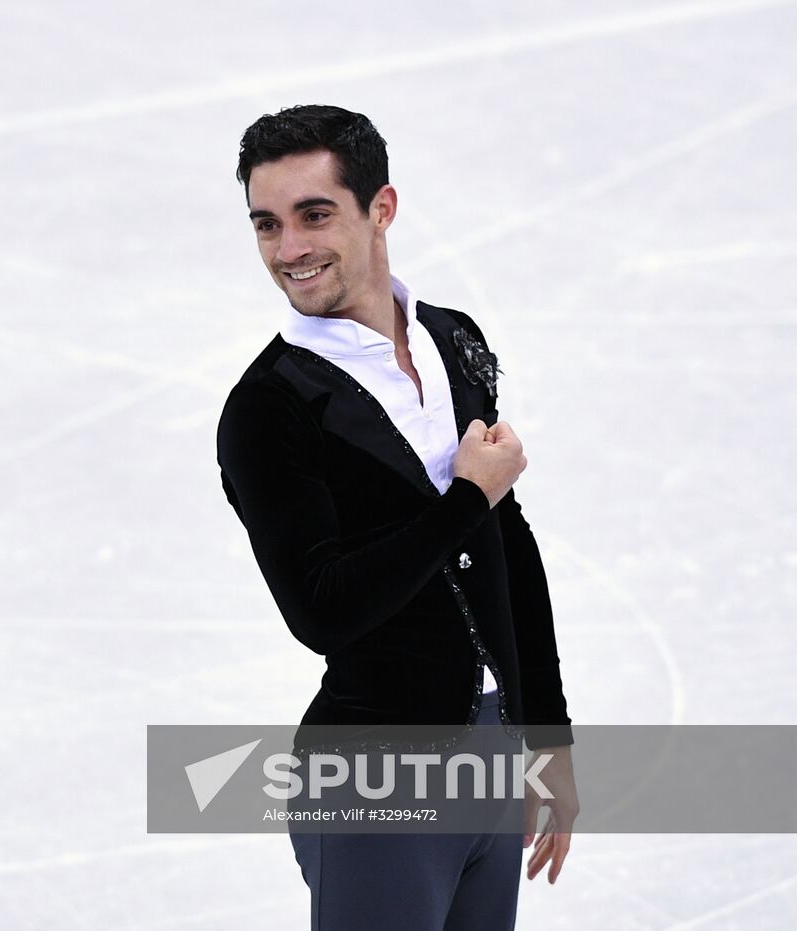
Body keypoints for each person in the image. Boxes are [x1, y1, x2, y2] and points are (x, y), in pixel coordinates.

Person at [215, 105, 580, 929]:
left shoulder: (454, 341)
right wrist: (465, 499)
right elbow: (322, 607)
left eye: (315, 215)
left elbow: (505, 546)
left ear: (381, 208)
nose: (289, 250)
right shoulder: (270, 408)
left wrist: (545, 729)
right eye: (266, 225)